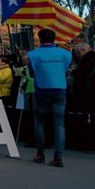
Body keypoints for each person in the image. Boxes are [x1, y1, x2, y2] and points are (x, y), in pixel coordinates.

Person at [28, 28, 72, 168]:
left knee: (39, 121)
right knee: (59, 124)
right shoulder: (66, 54)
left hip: (41, 90)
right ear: (54, 38)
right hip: (59, 89)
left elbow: (31, 72)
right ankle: (58, 157)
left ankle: (40, 154)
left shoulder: (33, 54)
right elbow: (65, 69)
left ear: (40, 39)